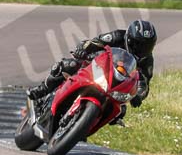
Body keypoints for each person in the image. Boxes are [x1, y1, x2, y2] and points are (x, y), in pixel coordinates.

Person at [27, 19, 157, 116]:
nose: (142, 49)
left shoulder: (147, 61)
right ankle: (43, 89)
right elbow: (95, 42)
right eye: (139, 44)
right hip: (96, 65)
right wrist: (82, 50)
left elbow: (143, 84)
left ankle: (85, 125)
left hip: (115, 84)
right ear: (129, 39)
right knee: (69, 65)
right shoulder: (117, 36)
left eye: (147, 46)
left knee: (119, 112)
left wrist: (138, 96)